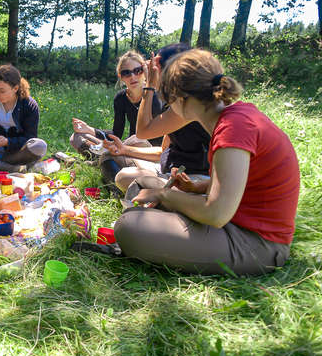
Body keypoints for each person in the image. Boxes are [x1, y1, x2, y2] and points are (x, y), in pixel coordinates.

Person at [111, 49, 300, 276]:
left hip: (256, 244)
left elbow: (216, 214)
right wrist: (198, 187)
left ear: (181, 100)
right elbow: (242, 181)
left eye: (168, 100)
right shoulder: (234, 117)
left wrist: (164, 195)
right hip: (235, 220)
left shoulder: (233, 129)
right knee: (144, 188)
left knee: (128, 228)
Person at [103, 43, 211, 192]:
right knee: (112, 160)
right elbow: (162, 151)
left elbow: (142, 132)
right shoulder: (174, 101)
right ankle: (149, 192)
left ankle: (158, 197)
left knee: (124, 177)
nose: (149, 72)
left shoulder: (188, 105)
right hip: (167, 168)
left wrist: (149, 86)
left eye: (149, 68)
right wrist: (124, 149)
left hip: (190, 179)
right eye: (127, 73)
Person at [69, 50, 165, 184]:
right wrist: (89, 129)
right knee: (76, 137)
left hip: (148, 151)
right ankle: (104, 159)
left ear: (145, 72)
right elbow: (117, 133)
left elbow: (147, 135)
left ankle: (102, 161)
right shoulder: (120, 98)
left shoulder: (155, 95)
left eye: (137, 71)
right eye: (126, 73)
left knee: (134, 139)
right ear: (121, 77)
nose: (132, 76)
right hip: (128, 147)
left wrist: (149, 88)